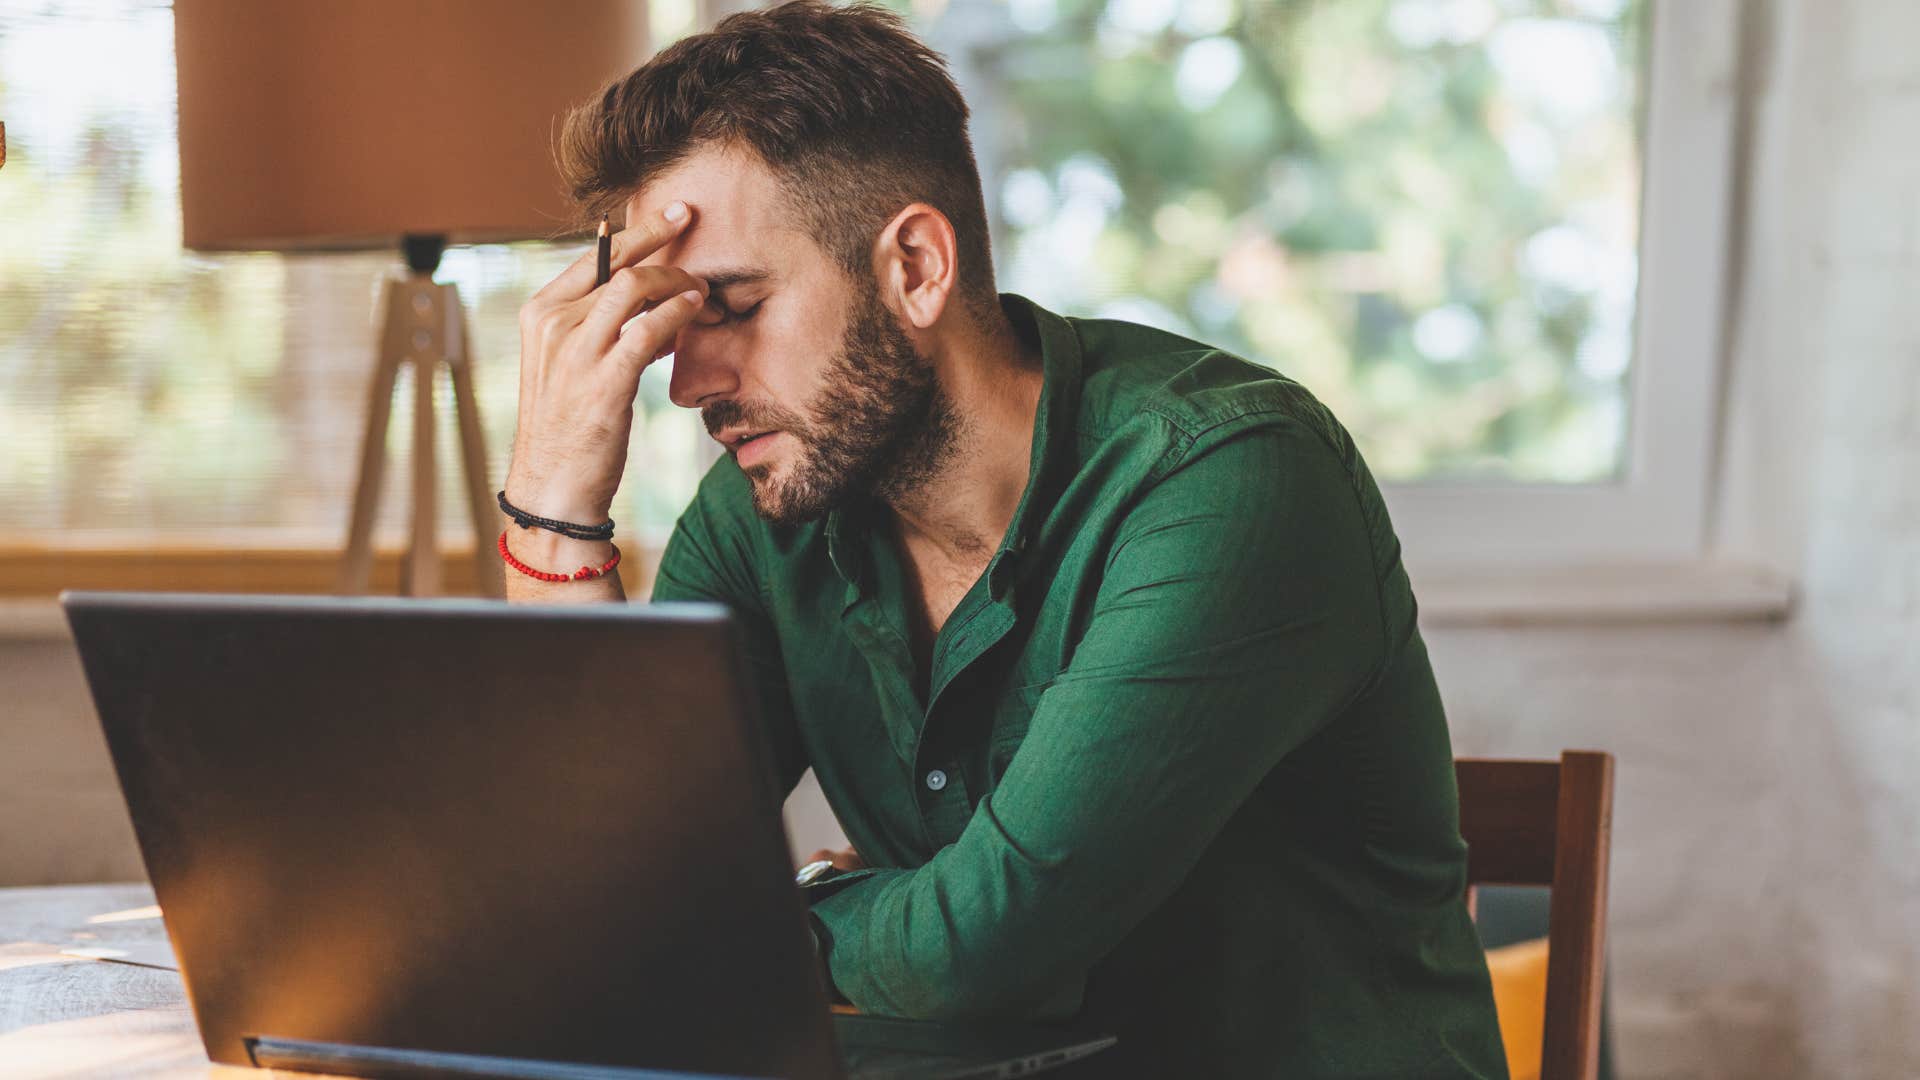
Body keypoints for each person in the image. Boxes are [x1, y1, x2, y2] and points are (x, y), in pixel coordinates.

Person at [502, 3, 1507, 1076]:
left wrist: (763, 910)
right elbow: (595, 899)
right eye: (666, 328)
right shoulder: (767, 513)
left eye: (732, 307)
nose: (687, 383)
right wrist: (553, 502)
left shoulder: (1227, 480)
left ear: (918, 268)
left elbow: (981, 950)